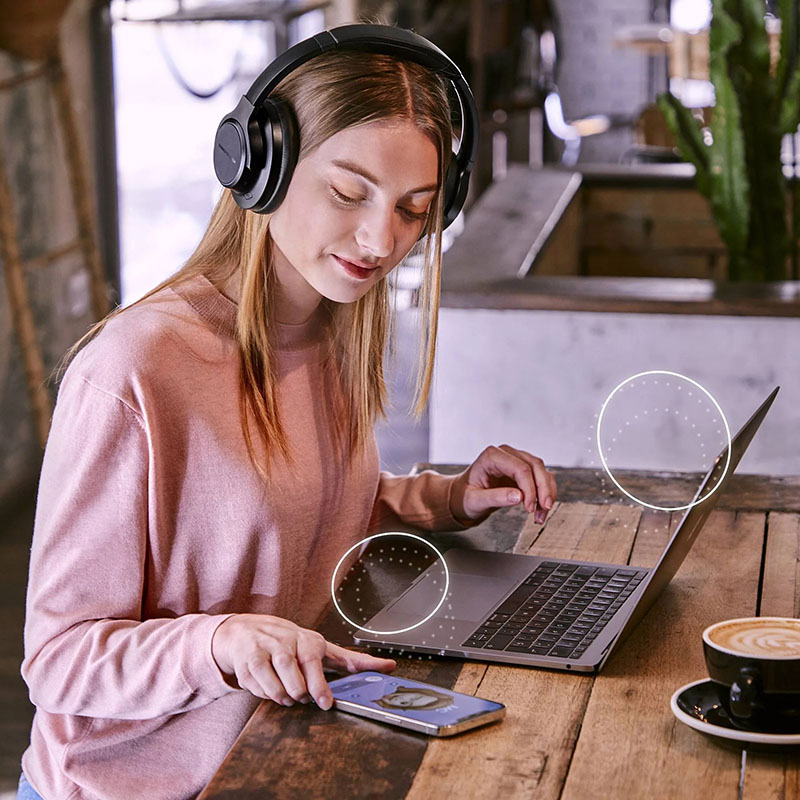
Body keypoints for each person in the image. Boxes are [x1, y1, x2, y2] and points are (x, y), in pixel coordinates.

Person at [19, 24, 557, 800]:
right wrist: (219, 644)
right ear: (259, 167)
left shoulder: (332, 326)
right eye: (349, 192)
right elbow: (60, 659)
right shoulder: (134, 369)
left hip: (272, 761)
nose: (383, 238)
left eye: (414, 208)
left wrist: (446, 497)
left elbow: (300, 513)